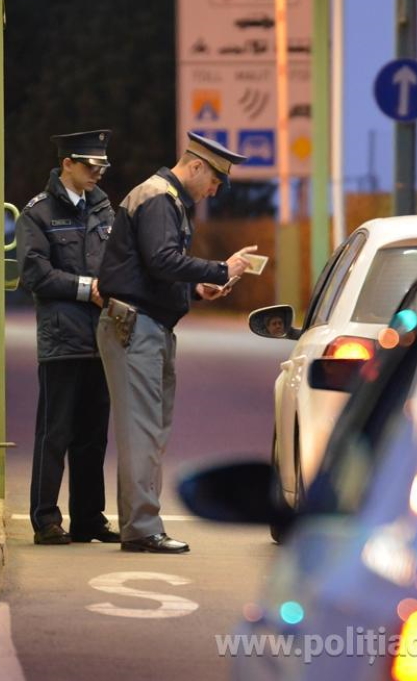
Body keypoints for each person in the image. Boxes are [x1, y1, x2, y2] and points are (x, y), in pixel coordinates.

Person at [97, 132, 255, 554]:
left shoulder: (165, 199)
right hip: (136, 327)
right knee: (142, 432)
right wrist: (221, 269)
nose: (215, 190)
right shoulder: (159, 198)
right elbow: (161, 260)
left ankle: (141, 525)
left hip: (147, 325)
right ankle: (142, 528)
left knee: (149, 431)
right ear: (198, 165)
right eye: (216, 180)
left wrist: (196, 290)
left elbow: (150, 272)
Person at [17, 129, 120, 546]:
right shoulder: (37, 214)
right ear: (68, 166)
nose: (98, 172)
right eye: (91, 165)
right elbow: (34, 273)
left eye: (103, 166)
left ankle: (88, 519)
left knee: (93, 435)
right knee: (54, 433)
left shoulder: (103, 209)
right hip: (62, 341)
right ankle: (45, 519)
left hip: (101, 339)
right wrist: (87, 287)